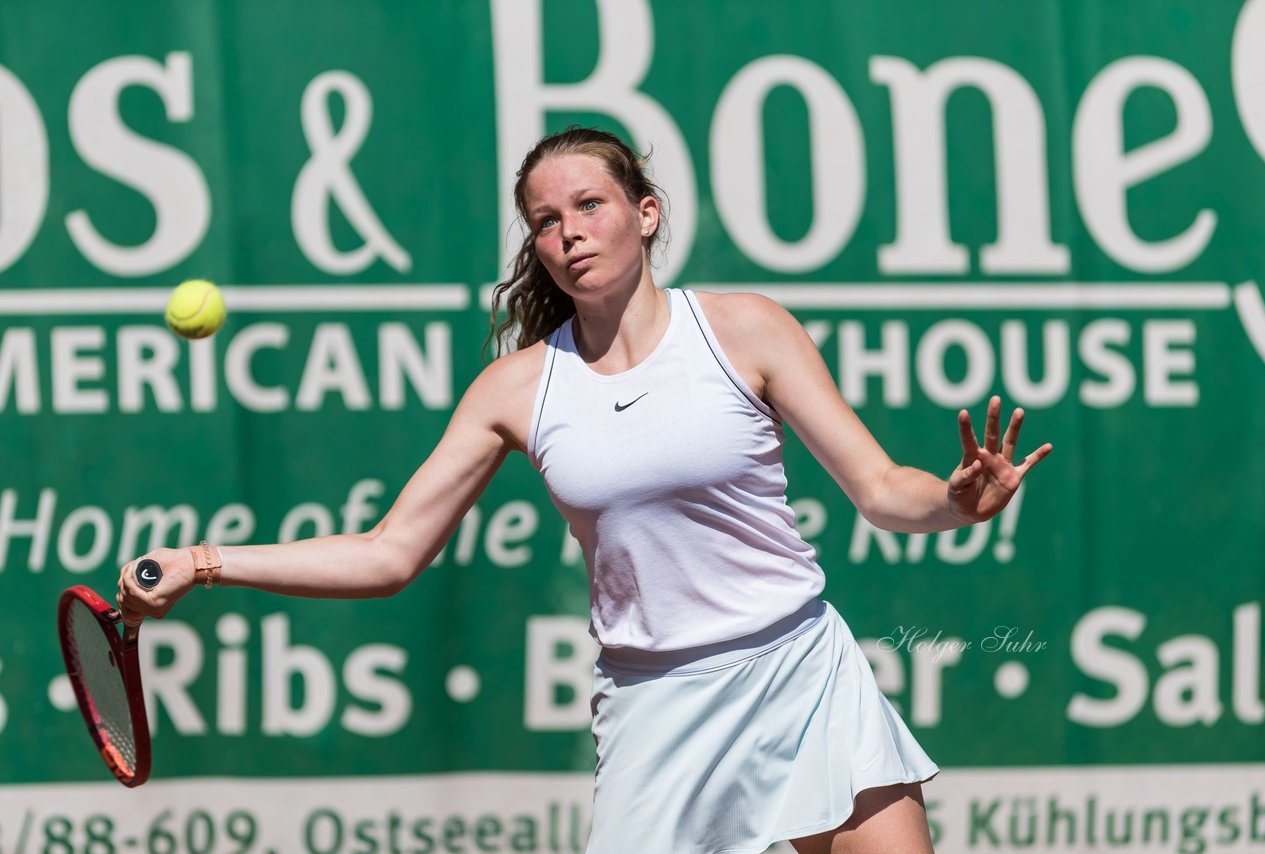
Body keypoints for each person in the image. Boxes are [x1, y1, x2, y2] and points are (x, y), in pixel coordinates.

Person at [118, 127, 1051, 854]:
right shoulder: (519, 388)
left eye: (590, 205)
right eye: (544, 219)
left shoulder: (747, 329)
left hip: (801, 669)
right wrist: (205, 563)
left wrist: (958, 500)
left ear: (646, 214)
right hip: (658, 705)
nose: (567, 233)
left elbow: (885, 491)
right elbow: (388, 552)